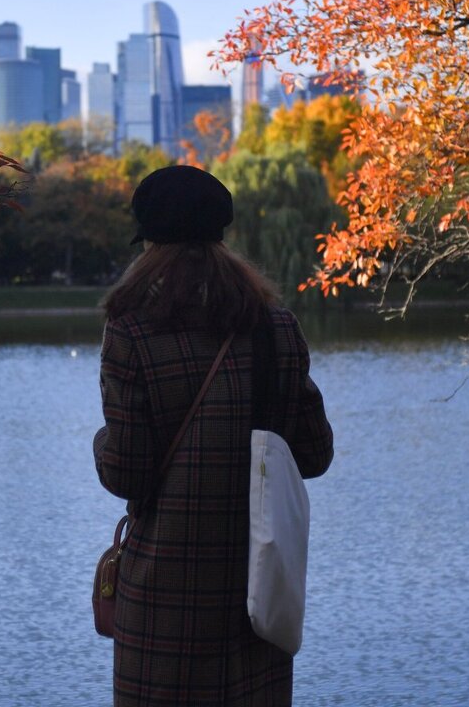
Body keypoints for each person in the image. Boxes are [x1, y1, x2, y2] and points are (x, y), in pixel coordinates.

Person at [93, 165, 334, 706]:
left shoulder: (131, 330)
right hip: (257, 599)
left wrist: (98, 443)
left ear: (150, 243)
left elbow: (125, 473)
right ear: (220, 236)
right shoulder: (277, 327)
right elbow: (316, 455)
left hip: (164, 605)